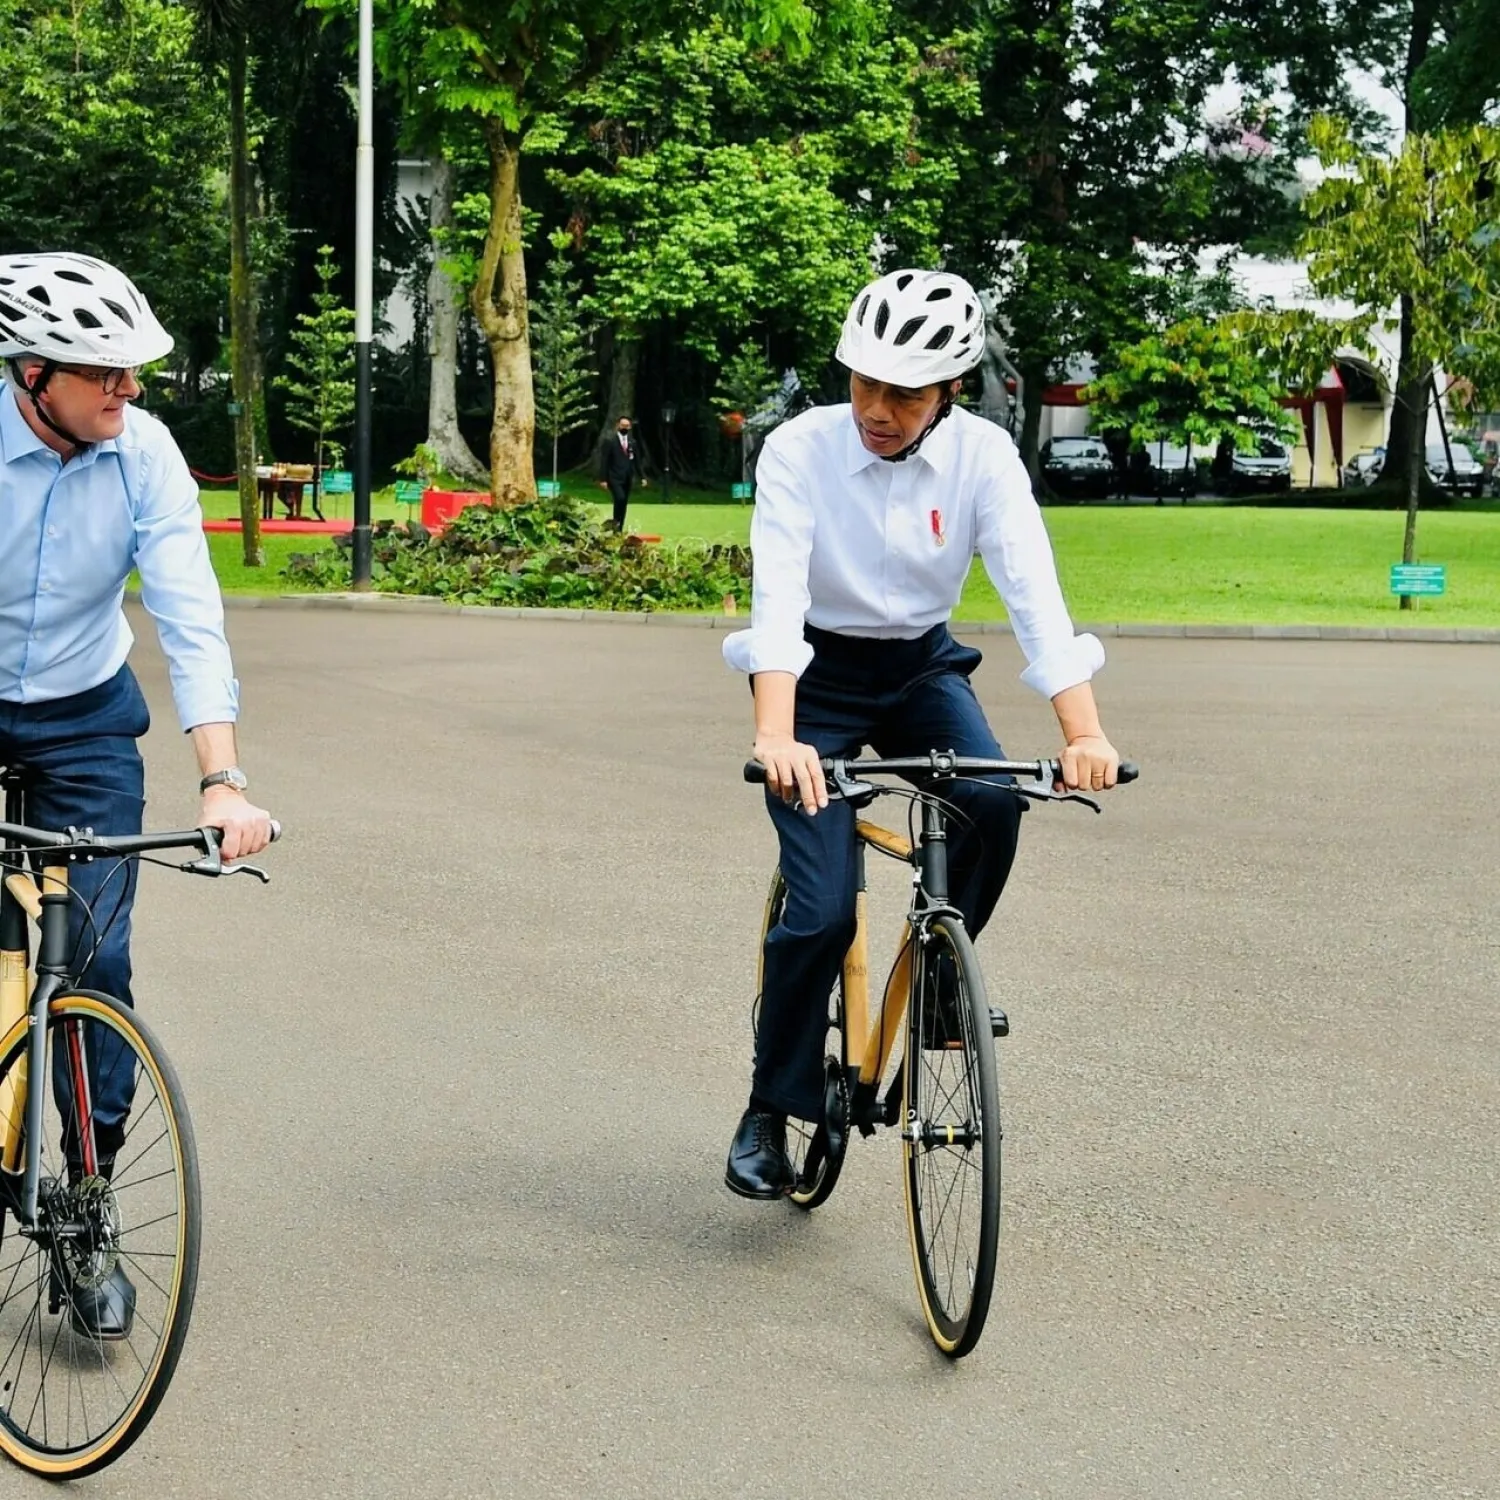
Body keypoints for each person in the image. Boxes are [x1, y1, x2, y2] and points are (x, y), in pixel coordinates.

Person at [720, 268, 1121, 1198]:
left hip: (918, 669)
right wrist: (777, 735)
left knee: (992, 799)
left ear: (949, 393)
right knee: (819, 912)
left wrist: (1084, 733)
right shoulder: (798, 450)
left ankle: (945, 978)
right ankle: (768, 1109)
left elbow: (1035, 597)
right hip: (813, 680)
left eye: (903, 392)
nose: (876, 407)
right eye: (863, 382)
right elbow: (776, 601)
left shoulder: (984, 459)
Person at [0, 251, 274, 1336]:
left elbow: (190, 615)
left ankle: (85, 1202)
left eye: (134, 372)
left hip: (82, 715)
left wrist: (223, 777)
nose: (130, 390)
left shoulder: (143, 454)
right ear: (32, 375)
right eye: (104, 372)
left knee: (97, 958)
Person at [597, 415, 645, 530]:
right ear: (618, 425)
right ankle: (615, 523)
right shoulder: (610, 442)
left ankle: (619, 528)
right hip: (614, 477)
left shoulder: (632, 443)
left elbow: (637, 461)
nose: (625, 428)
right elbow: (604, 461)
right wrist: (603, 479)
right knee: (620, 498)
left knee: (623, 503)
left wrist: (642, 477)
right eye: (623, 425)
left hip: (627, 477)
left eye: (627, 426)